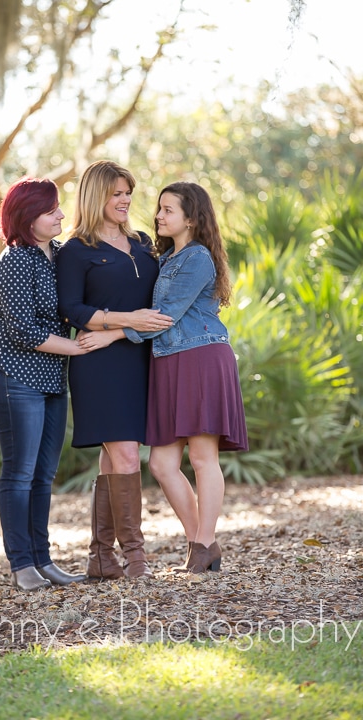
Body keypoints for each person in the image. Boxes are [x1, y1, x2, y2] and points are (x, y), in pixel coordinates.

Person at [78, 181, 248, 574]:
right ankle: (202, 542)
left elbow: (164, 315)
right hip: (169, 362)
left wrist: (111, 335)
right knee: (161, 464)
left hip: (201, 357)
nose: (158, 216)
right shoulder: (167, 257)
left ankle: (202, 544)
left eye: (167, 210)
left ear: (191, 217)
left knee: (203, 457)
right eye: (159, 209)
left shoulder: (197, 258)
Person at [56, 160, 173, 580]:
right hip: (98, 363)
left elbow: (160, 306)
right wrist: (123, 319)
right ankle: (136, 559)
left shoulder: (144, 243)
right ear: (95, 196)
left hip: (140, 357)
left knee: (116, 460)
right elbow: (71, 309)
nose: (125, 200)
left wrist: (127, 328)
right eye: (116, 193)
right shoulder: (75, 250)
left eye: (128, 192)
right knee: (123, 454)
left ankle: (101, 558)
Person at [0, 176, 92, 591]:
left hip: (50, 379)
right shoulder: (14, 260)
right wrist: (78, 348)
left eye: (59, 207)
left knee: (44, 474)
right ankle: (22, 565)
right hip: (14, 377)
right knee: (20, 473)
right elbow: (23, 331)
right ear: (28, 217)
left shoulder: (60, 255)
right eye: (51, 210)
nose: (61, 214)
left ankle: (44, 561)